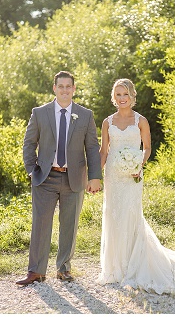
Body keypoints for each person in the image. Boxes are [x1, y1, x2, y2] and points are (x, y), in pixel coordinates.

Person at [97, 79, 175, 294]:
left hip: (133, 175)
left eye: (125, 94)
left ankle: (133, 265)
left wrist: (139, 163)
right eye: (118, 94)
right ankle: (114, 268)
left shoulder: (141, 121)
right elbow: (104, 151)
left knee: (130, 214)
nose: (122, 98)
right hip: (113, 176)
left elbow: (147, 148)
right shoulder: (108, 122)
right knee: (112, 214)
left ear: (132, 96)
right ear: (113, 97)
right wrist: (95, 177)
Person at [17, 71, 103, 286]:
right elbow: (29, 144)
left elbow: (92, 148)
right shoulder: (40, 113)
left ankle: (63, 269)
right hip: (45, 178)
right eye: (61, 86)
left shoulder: (85, 115)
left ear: (74, 89)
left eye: (68, 86)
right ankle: (36, 271)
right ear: (54, 88)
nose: (65, 90)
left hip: (74, 178)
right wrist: (31, 169)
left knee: (69, 226)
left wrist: (94, 177)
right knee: (40, 225)